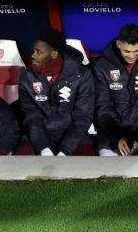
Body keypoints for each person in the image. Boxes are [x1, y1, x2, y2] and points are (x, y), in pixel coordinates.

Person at [18, 28, 94, 156]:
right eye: (34, 50)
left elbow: (82, 116)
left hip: (75, 137)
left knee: (86, 166)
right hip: (40, 137)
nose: (33, 55)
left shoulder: (82, 74)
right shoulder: (27, 76)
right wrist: (43, 148)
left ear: (54, 54)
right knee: (22, 161)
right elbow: (31, 117)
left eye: (39, 52)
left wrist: (65, 150)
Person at [93, 24, 138, 156]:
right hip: (111, 137)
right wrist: (117, 137)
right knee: (110, 174)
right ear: (118, 44)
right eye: (127, 51)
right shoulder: (102, 66)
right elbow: (103, 108)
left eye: (136, 50)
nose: (132, 56)